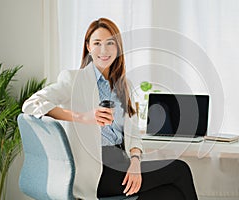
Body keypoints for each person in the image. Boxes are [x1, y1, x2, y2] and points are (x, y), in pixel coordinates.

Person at [23, 17, 198, 200]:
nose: (104, 50)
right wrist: (82, 117)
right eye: (97, 43)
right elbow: (30, 104)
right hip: (97, 172)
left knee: (172, 194)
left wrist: (136, 162)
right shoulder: (73, 80)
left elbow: (133, 134)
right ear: (88, 47)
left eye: (110, 43)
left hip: (123, 164)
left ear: (118, 48)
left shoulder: (123, 85)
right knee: (180, 169)